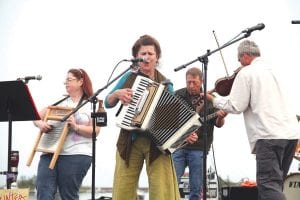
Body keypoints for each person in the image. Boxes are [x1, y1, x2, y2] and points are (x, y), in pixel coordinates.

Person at [206, 40, 300, 200]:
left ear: (245, 56)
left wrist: (212, 99)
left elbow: (235, 106)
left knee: (268, 185)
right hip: (291, 135)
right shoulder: (274, 70)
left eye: (239, 59)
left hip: (269, 136)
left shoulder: (247, 72)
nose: (238, 63)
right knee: (275, 185)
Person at [104, 34, 192, 200]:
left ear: (157, 57)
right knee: (123, 189)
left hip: (156, 145)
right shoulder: (128, 77)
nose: (146, 57)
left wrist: (185, 133)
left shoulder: (167, 84)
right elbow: (108, 103)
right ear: (136, 57)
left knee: (162, 191)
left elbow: (171, 121)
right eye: (142, 53)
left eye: (150, 54)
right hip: (129, 140)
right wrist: (117, 93)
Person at [34, 68, 100, 200]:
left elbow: (95, 131)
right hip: (50, 153)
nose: (66, 83)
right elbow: (35, 116)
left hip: (77, 154)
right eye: (65, 80)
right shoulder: (60, 101)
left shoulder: (92, 104)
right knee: (43, 190)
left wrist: (76, 127)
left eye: (69, 80)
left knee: (68, 195)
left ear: (81, 81)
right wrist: (41, 124)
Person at [172, 67, 227, 200]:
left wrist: (220, 116)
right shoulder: (178, 95)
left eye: (194, 82)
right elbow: (170, 119)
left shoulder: (210, 99)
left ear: (201, 82)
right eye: (188, 82)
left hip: (199, 148)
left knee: (196, 187)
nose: (191, 85)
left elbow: (219, 124)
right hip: (178, 146)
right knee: (171, 182)